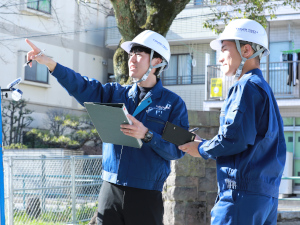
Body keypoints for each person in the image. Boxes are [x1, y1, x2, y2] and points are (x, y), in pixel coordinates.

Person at [25, 30, 189, 225]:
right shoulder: (115, 93)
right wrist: (50, 64)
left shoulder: (173, 104)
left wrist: (147, 135)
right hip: (110, 189)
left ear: (156, 61)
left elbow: (179, 150)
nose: (131, 60)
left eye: (139, 54)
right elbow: (81, 85)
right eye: (130, 54)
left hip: (146, 194)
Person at [179, 19, 286, 225]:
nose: (219, 59)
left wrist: (200, 149)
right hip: (266, 198)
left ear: (246, 50)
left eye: (224, 49)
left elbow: (233, 138)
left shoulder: (245, 86)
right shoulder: (263, 88)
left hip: (240, 195)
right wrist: (204, 144)